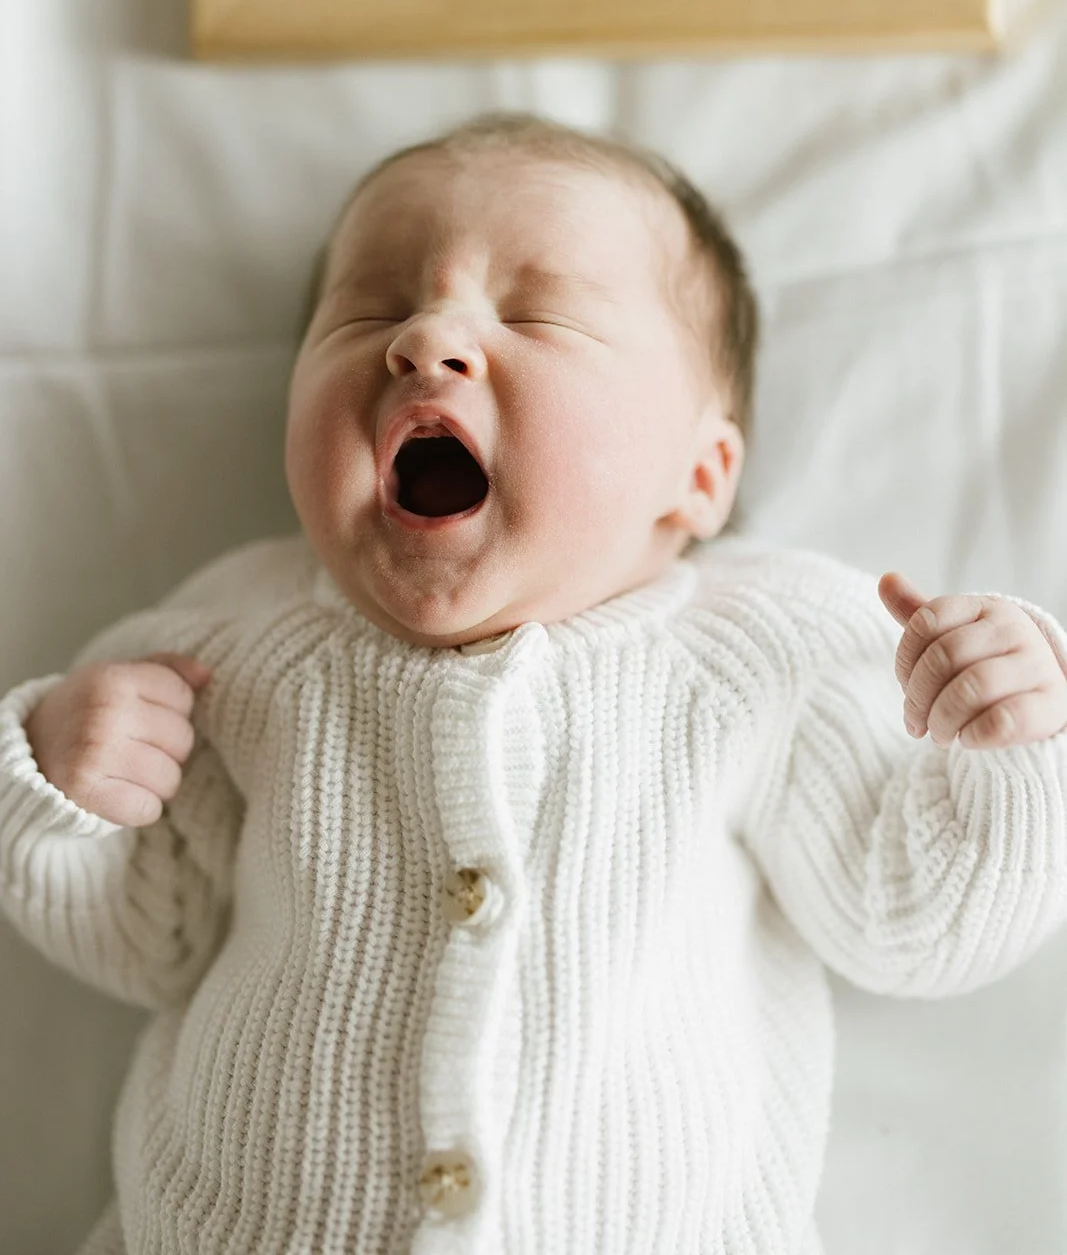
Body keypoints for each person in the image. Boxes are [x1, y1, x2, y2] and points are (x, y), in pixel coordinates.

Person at [2, 111, 1066, 1255]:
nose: (423, 340)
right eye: (369, 309)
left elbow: (912, 924)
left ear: (697, 476)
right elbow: (149, 944)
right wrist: (66, 787)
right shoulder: (232, 640)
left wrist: (1005, 744)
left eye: (535, 314)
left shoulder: (765, 649)